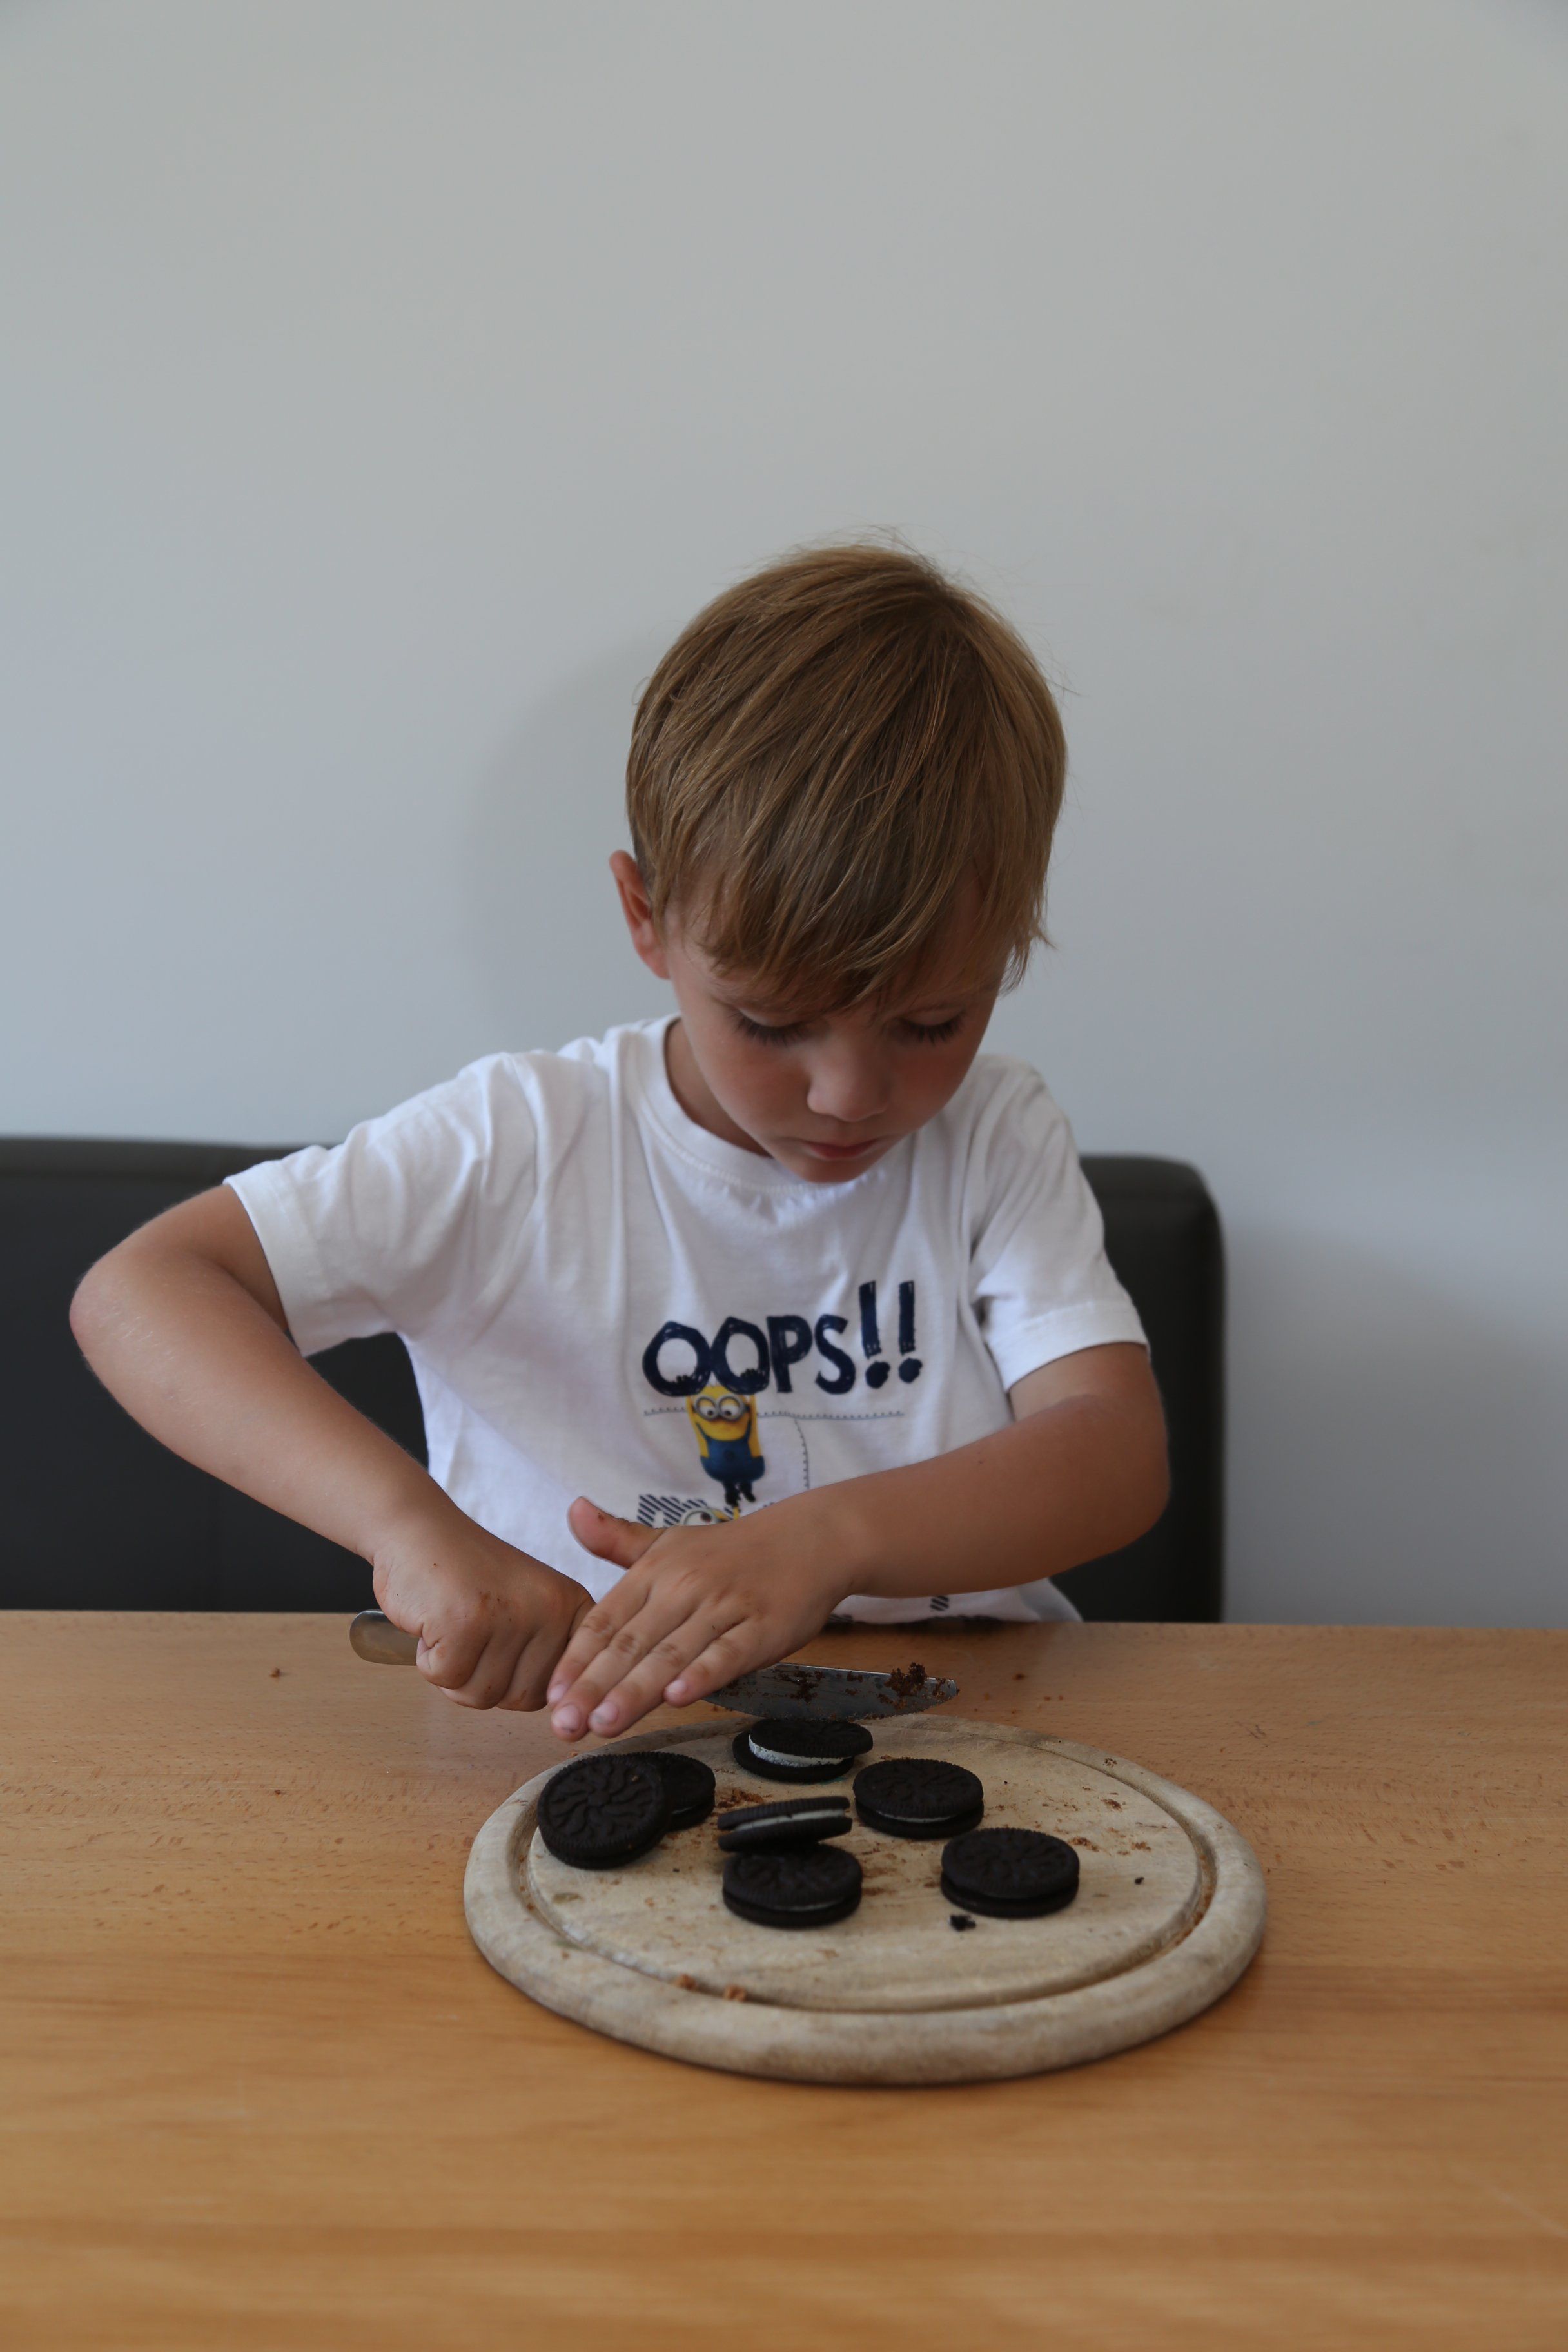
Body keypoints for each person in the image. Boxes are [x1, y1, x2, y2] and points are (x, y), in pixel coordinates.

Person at [71, 542, 1168, 1744]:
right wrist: (409, 1528)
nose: (850, 1094)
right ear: (647, 916)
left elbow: (1114, 1452)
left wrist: (827, 1539)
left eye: (932, 1023)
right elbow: (143, 1290)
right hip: (584, 1739)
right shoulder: (521, 1142)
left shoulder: (994, 1135)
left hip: (971, 1725)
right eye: (772, 1024)